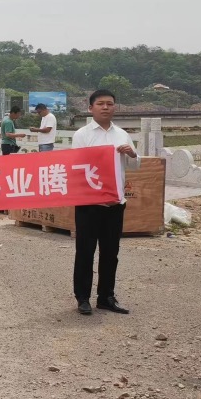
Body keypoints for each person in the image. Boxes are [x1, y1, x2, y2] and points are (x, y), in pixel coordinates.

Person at [70, 89, 139, 316]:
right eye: (100, 104)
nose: (106, 107)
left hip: (115, 203)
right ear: (91, 108)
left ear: (115, 107)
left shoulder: (122, 134)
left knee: (110, 252)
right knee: (85, 252)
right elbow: (75, 166)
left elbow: (134, 166)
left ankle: (106, 297)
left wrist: (132, 154)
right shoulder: (82, 135)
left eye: (110, 103)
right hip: (89, 205)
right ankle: (82, 298)